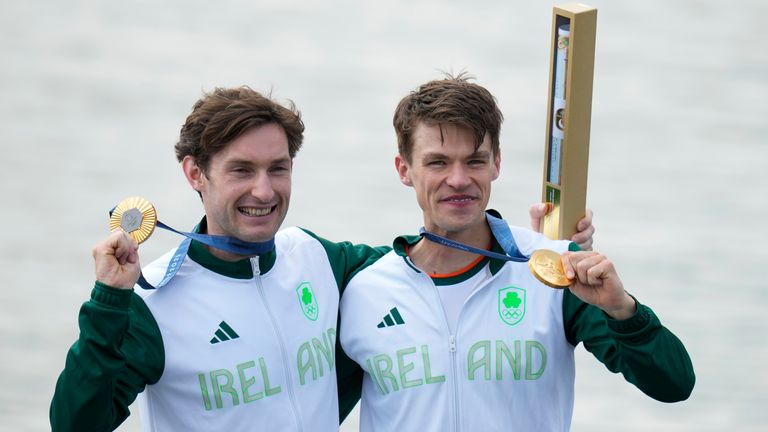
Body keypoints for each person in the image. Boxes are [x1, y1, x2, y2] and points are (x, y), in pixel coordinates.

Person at [50, 86, 595, 431]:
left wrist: (538, 251)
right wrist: (108, 302)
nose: (264, 191)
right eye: (241, 170)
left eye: (278, 168)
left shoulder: (319, 261)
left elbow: (437, 259)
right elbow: (75, 425)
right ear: (196, 173)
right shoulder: (151, 300)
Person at [339, 74, 695, 432]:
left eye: (475, 161)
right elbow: (313, 410)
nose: (459, 179)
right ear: (404, 170)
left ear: (496, 163)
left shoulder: (558, 271)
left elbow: (674, 385)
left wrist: (622, 310)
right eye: (438, 163)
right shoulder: (365, 291)